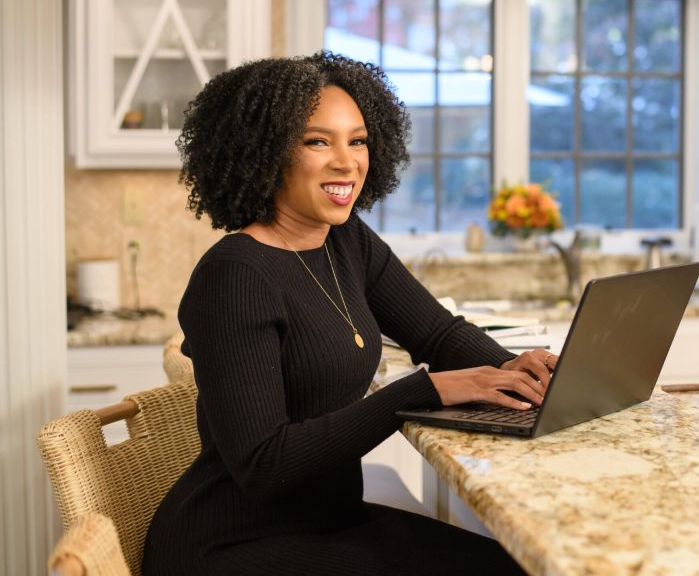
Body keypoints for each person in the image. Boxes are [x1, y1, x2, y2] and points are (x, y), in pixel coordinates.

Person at [142, 52, 556, 575]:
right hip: (234, 546)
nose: (347, 161)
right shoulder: (233, 276)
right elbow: (266, 465)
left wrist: (519, 371)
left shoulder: (346, 240)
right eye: (318, 141)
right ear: (265, 153)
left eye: (357, 140)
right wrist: (427, 391)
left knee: (519, 562)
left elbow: (436, 332)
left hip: (328, 521)